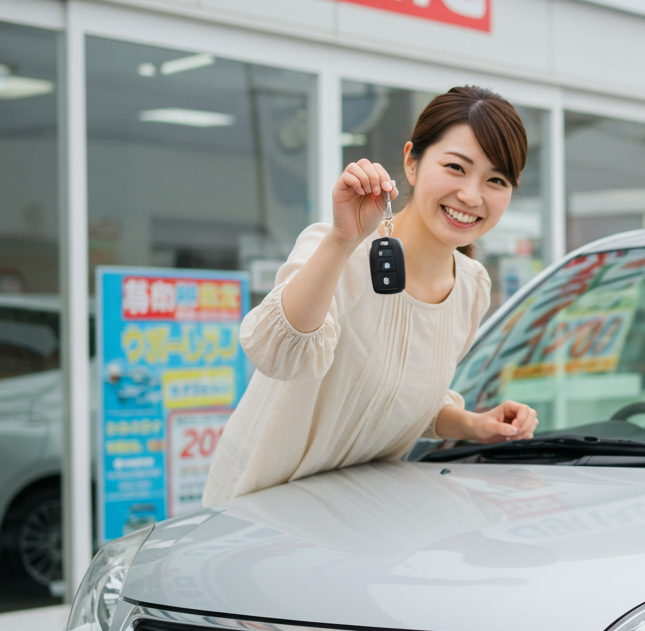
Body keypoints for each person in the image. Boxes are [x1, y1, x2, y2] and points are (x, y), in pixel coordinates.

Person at [204, 86, 539, 506]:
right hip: (263, 512)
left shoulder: (472, 288)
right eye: (456, 167)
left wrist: (474, 425)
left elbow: (400, 398)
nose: (472, 196)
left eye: (496, 180)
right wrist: (343, 239)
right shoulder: (337, 249)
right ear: (411, 162)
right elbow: (276, 354)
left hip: (362, 516)